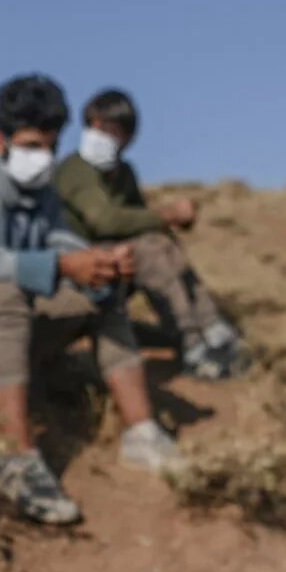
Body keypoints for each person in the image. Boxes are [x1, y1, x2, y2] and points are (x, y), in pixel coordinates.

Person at [0, 75, 183, 526]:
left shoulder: (44, 196)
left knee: (103, 293)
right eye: (30, 145)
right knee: (3, 295)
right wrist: (62, 267)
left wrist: (97, 261)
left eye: (49, 146)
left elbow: (60, 242)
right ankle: (16, 460)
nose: (41, 158)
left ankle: (142, 434)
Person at [52, 89, 246, 379]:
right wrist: (169, 215)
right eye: (94, 126)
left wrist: (168, 223)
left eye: (109, 129)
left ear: (127, 138)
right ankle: (190, 340)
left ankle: (211, 326)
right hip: (81, 260)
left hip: (117, 257)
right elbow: (104, 221)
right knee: (150, 250)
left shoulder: (123, 172)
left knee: (161, 243)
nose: (98, 135)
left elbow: (140, 221)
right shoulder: (75, 170)